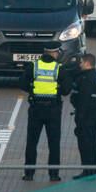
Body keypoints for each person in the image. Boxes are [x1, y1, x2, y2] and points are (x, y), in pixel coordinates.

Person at [23, 44, 65, 182]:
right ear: (54, 53)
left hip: (36, 109)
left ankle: (29, 174)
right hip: (53, 110)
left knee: (32, 142)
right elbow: (67, 89)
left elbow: (22, 83)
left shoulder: (33, 66)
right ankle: (53, 174)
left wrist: (32, 89)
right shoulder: (59, 68)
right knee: (54, 143)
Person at [61, 52, 96, 179]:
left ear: (87, 63)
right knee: (93, 143)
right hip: (95, 114)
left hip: (85, 116)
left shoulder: (86, 79)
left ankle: (87, 171)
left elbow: (83, 100)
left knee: (85, 144)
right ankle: (93, 169)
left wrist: (79, 118)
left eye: (81, 63)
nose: (79, 65)